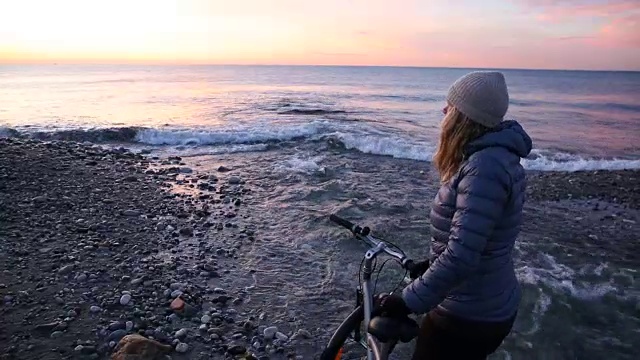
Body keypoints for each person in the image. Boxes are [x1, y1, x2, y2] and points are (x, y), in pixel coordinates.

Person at [378, 71, 533, 359]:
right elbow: (481, 237)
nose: (443, 110)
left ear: (465, 116)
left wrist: (407, 300)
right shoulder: (495, 159)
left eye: (451, 105)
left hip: (470, 314)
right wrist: (432, 263)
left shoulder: (484, 168)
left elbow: (462, 256)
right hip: (486, 303)